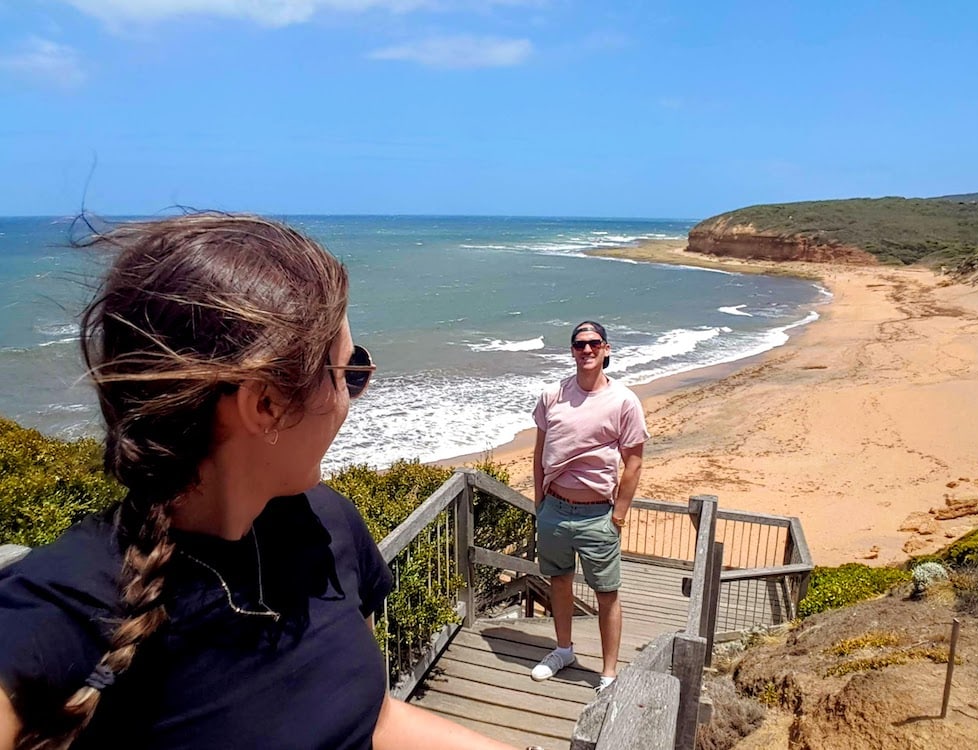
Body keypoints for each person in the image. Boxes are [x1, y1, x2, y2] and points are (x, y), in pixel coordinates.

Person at [0, 214, 527, 750]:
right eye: (352, 372)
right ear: (266, 404)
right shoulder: (71, 596)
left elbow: (375, 720)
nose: (355, 398)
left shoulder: (329, 523)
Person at [530, 321, 649, 694]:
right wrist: (540, 502)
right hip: (555, 509)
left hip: (598, 514)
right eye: (579, 344)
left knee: (606, 593)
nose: (586, 350)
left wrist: (619, 515)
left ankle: (608, 673)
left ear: (606, 349)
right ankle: (563, 650)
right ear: (572, 351)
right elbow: (539, 453)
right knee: (559, 581)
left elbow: (634, 462)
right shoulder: (552, 395)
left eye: (593, 343)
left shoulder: (624, 401)